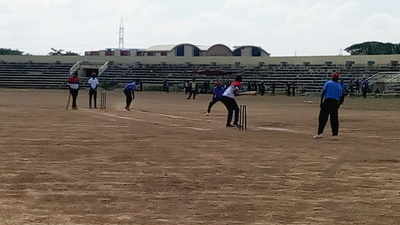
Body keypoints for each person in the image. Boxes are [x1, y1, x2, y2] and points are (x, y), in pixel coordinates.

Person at [314, 72, 344, 139]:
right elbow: (342, 96)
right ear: (338, 78)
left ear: (332, 77)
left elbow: (323, 93)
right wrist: (339, 104)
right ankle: (335, 134)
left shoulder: (328, 83)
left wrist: (321, 102)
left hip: (327, 102)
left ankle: (320, 133)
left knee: (322, 118)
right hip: (335, 103)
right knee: (334, 119)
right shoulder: (339, 85)